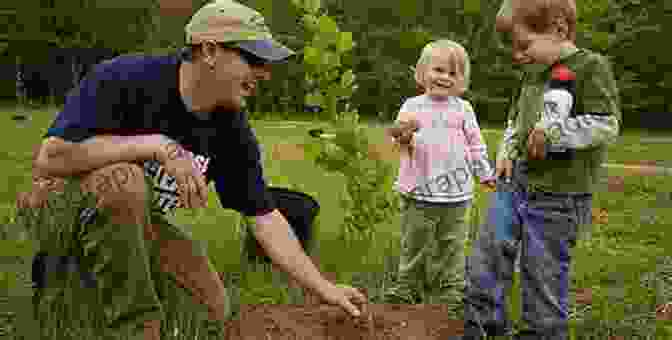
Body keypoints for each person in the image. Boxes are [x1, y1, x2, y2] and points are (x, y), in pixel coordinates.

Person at [20, 1, 366, 339]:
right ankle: (130, 325)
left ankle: (82, 293)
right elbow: (51, 158)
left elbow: (263, 216)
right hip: (58, 208)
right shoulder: (126, 78)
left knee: (210, 310)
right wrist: (156, 145)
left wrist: (323, 287)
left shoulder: (230, 128)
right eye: (254, 59)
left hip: (140, 224)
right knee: (124, 180)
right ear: (210, 51)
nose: (264, 73)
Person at [463, 0, 621, 339]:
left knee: (543, 268)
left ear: (559, 29)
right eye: (512, 48)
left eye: (524, 45)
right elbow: (516, 121)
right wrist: (505, 151)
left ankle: (542, 332)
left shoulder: (590, 68)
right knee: (488, 253)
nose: (518, 55)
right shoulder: (531, 74)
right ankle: (482, 324)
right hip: (515, 183)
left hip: (559, 195)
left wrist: (554, 133)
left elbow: (606, 125)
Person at [383, 40, 496, 324]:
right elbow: (399, 140)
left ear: (461, 81)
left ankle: (452, 289)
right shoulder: (412, 106)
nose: (444, 77)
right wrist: (404, 134)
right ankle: (408, 285)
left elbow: (476, 144)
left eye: (453, 74)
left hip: (457, 193)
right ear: (423, 72)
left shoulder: (463, 109)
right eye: (439, 70)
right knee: (415, 242)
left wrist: (484, 173)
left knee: (453, 244)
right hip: (418, 190)